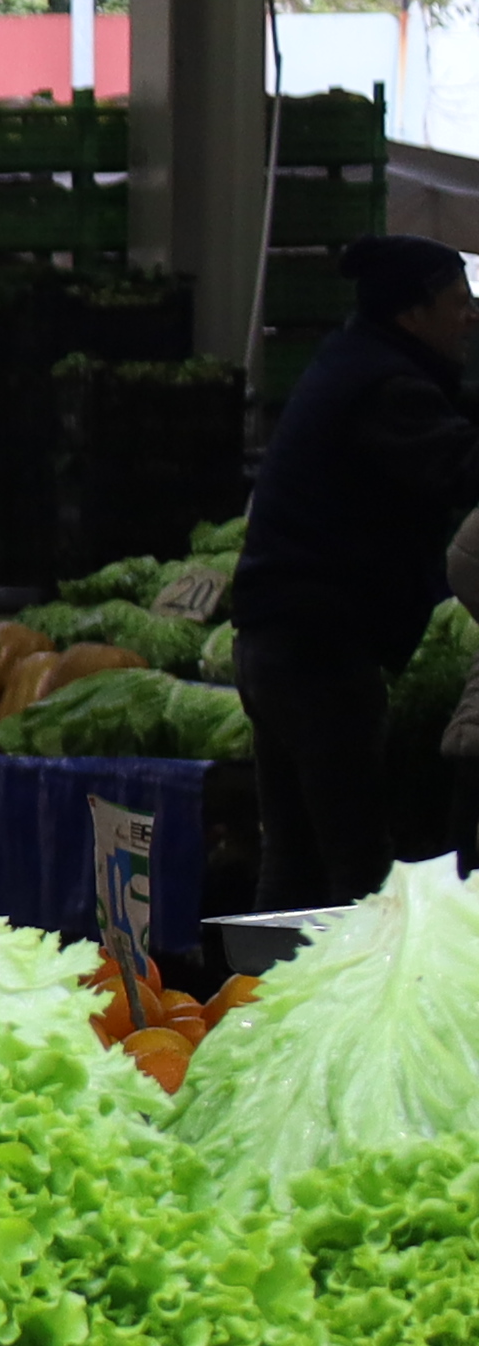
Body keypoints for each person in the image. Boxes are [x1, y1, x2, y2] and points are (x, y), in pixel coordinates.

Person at [229, 235, 479, 908]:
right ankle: (351, 1005)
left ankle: (264, 1000)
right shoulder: (387, 388)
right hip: (319, 652)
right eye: (458, 301)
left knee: (296, 861)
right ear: (412, 313)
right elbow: (462, 466)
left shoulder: (360, 363)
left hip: (275, 641)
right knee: (356, 868)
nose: (472, 315)